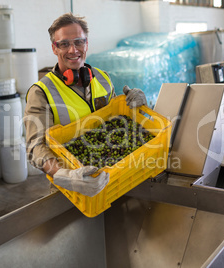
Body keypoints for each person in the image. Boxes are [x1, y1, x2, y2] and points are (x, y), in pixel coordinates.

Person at [24, 13, 147, 197]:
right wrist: (66, 176)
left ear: (86, 44)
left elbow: (118, 120)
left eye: (79, 42)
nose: (73, 50)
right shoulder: (41, 92)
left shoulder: (103, 78)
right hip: (71, 188)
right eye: (64, 44)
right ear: (54, 48)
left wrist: (137, 104)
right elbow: (35, 148)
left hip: (110, 177)